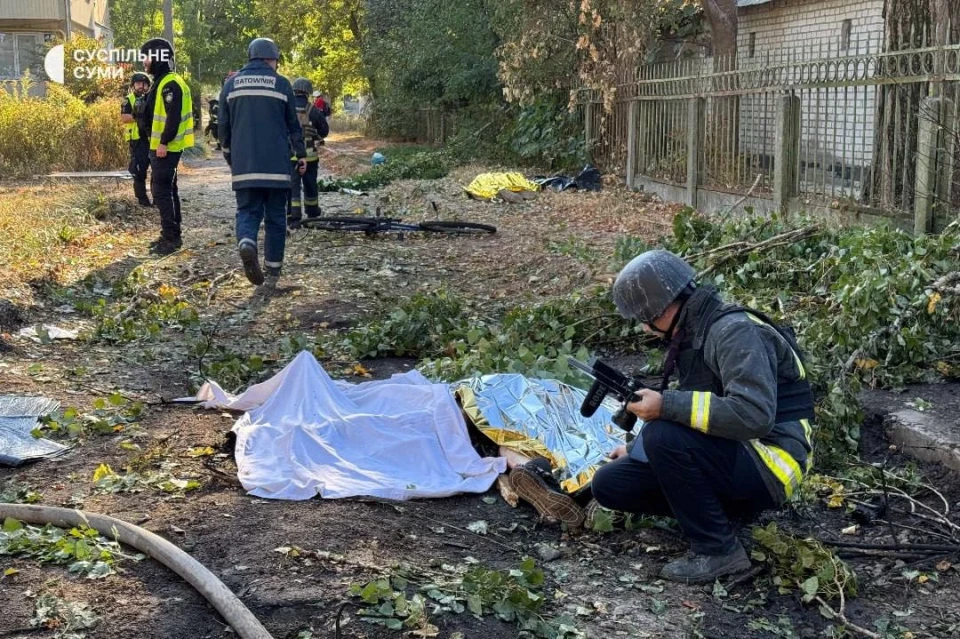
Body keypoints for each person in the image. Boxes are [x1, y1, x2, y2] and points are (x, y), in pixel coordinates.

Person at [511, 250, 815, 585]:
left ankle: (719, 551)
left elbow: (754, 416)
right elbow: (704, 415)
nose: (644, 327)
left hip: (772, 463)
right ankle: (722, 517)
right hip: (738, 452)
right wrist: (640, 450)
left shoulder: (734, 332)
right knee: (611, 484)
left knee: (662, 436)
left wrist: (665, 407)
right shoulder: (696, 332)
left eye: (646, 317)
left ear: (667, 305)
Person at [219, 38, 306, 290]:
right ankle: (273, 271)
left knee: (247, 211)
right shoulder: (281, 84)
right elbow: (293, 125)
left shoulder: (231, 85)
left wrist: (228, 154)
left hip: (244, 164)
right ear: (272, 59)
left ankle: (247, 241)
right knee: (276, 217)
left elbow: (223, 126)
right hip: (277, 166)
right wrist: (300, 155)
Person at [140, 37, 194, 256]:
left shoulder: (170, 83)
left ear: (158, 57)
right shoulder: (163, 81)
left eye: (146, 57)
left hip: (166, 148)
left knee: (161, 191)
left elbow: (173, 116)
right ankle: (172, 233)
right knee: (168, 190)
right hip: (162, 147)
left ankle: (170, 237)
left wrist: (163, 142)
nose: (144, 62)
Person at [288, 78, 329, 229]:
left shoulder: (287, 109)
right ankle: (312, 214)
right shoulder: (314, 111)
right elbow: (324, 131)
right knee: (310, 185)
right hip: (310, 157)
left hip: (291, 156)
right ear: (307, 93)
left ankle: (294, 218)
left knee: (293, 187)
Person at [121, 72, 152, 207]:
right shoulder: (128, 99)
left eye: (144, 84)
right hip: (138, 140)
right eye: (139, 84)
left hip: (153, 139)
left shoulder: (152, 98)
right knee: (139, 170)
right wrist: (139, 116)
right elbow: (125, 118)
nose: (142, 86)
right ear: (133, 85)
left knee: (157, 171)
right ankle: (142, 199)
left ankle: (158, 199)